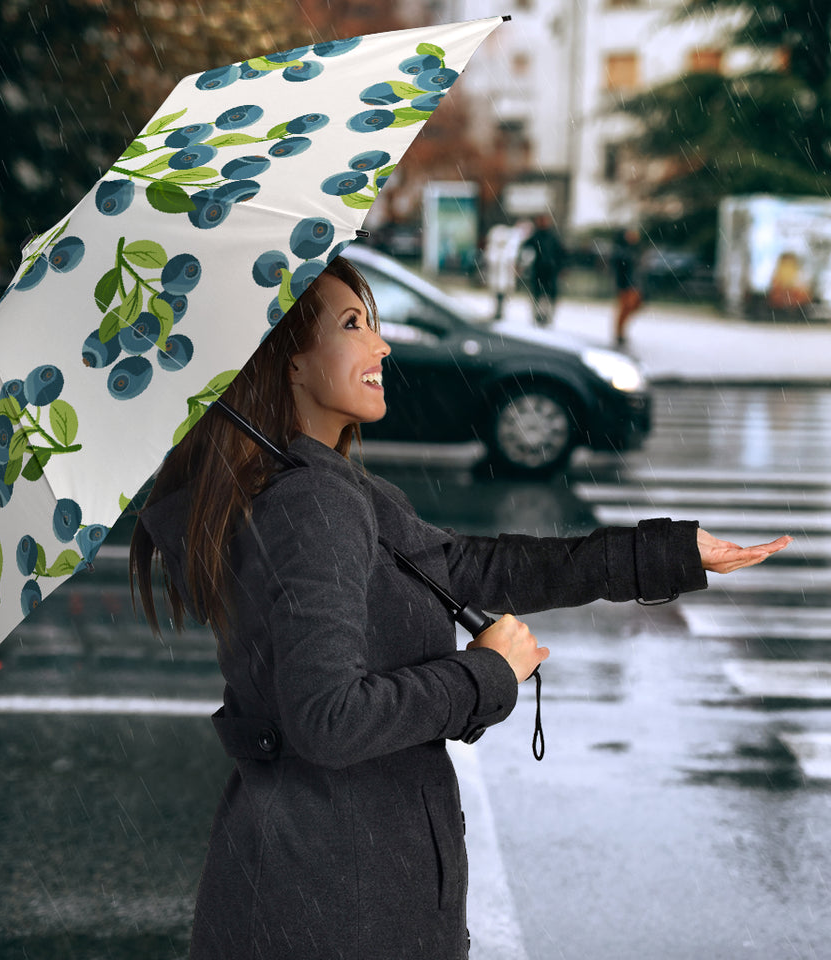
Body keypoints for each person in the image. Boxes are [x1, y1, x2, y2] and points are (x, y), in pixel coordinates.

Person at [129, 256, 790, 960]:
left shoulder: (320, 488)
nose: (381, 345)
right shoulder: (311, 504)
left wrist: (667, 554)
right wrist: (485, 673)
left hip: (324, 883)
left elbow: (474, 567)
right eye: (354, 325)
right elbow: (327, 719)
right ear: (287, 362)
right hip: (337, 903)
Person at [519, 213, 566, 327]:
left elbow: (561, 253)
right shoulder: (536, 236)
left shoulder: (552, 237)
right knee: (538, 294)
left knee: (548, 295)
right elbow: (525, 249)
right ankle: (538, 315)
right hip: (539, 270)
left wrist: (561, 267)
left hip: (550, 271)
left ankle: (546, 316)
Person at [612, 226, 644, 347]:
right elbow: (621, 265)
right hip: (626, 284)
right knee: (625, 308)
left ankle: (621, 331)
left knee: (633, 306)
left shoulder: (634, 249)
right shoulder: (622, 250)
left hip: (634, 283)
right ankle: (619, 333)